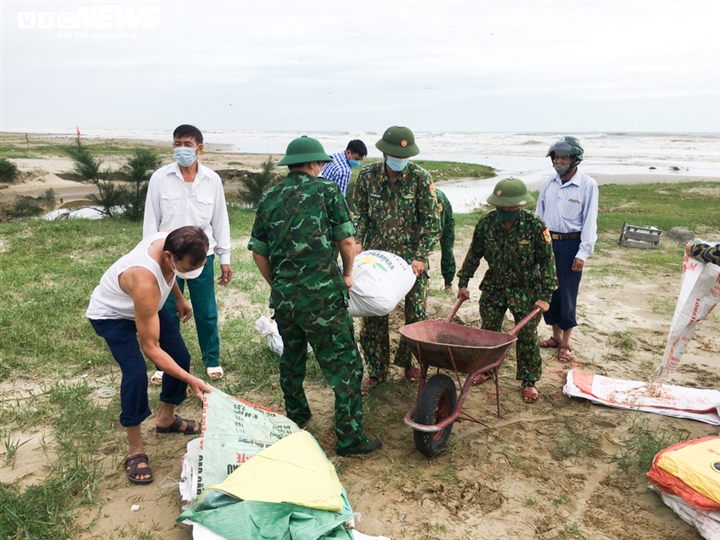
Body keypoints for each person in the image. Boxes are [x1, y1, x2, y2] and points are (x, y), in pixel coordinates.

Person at [248, 135, 381, 456]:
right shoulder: (327, 192)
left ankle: (297, 416)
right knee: (346, 366)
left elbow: (258, 253)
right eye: (321, 163)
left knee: (292, 361)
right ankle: (349, 438)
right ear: (314, 164)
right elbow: (347, 242)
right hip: (324, 298)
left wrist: (278, 284)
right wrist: (348, 274)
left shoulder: (269, 197)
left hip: (285, 299)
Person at [86, 226, 212, 484]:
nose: (191, 272)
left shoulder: (172, 238)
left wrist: (178, 298)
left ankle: (165, 419)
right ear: (169, 256)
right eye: (188, 268)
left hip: (146, 306)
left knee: (180, 355)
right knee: (135, 375)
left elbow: (170, 274)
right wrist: (191, 379)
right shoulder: (144, 281)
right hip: (112, 315)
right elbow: (151, 348)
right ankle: (135, 449)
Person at [353, 125, 440, 391]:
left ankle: (408, 363)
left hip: (412, 260)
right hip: (377, 257)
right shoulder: (367, 177)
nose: (399, 161)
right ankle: (377, 370)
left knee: (417, 314)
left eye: (404, 157)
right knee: (374, 313)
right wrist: (356, 242)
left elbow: (431, 222)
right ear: (383, 153)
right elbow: (360, 214)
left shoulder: (421, 178)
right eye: (395, 156)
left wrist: (421, 255)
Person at [143, 124, 232, 383]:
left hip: (203, 255)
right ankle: (163, 363)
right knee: (165, 310)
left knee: (205, 310)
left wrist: (225, 259)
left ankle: (211, 359)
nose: (181, 149)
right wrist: (152, 258)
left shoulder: (211, 180)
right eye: (177, 144)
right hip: (167, 256)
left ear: (199, 149)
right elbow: (151, 220)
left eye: (187, 145)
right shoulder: (160, 179)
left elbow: (220, 221)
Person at [457, 178, 556, 403]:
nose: (505, 212)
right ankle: (487, 369)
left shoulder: (535, 226)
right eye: (500, 207)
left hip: (526, 288)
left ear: (520, 205)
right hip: (495, 285)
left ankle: (529, 380)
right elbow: (474, 254)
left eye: (509, 208)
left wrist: (545, 296)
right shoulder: (486, 223)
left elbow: (547, 261)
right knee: (489, 332)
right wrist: (463, 281)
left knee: (527, 336)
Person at [536, 136, 598, 364]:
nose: (559, 161)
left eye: (564, 157)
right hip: (548, 242)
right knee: (549, 290)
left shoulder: (587, 185)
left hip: (571, 245)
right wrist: (537, 244)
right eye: (556, 157)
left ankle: (566, 343)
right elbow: (539, 216)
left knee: (567, 293)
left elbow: (590, 221)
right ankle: (554, 336)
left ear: (575, 160)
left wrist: (582, 253)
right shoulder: (548, 184)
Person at [434, 188, 456, 294]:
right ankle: (425, 280)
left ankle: (448, 284)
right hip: (428, 221)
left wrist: (429, 245)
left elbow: (439, 225)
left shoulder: (436, 197)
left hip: (446, 223)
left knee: (447, 250)